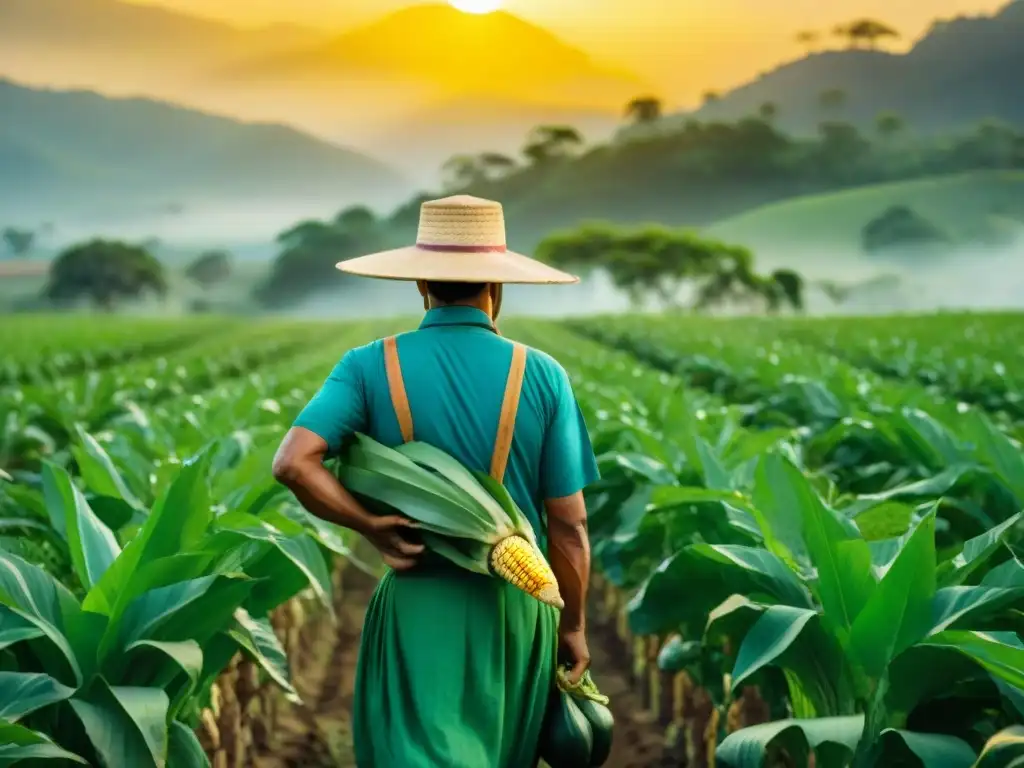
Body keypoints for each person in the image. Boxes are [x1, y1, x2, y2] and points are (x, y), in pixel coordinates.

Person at [272, 194, 600, 768]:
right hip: (517, 612)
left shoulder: (368, 365)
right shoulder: (543, 375)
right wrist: (571, 625)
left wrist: (371, 526)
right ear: (497, 288)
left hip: (417, 602)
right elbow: (568, 525)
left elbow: (293, 462)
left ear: (421, 283)